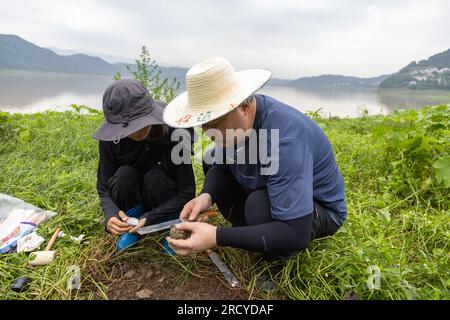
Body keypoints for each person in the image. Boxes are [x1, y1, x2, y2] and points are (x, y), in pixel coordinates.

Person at [160, 57, 347, 260]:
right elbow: (222, 167)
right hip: (268, 184)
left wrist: (216, 236)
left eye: (216, 122)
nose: (209, 133)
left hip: (316, 209)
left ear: (244, 108)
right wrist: (207, 196)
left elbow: (296, 233)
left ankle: (275, 259)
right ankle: (257, 233)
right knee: (210, 157)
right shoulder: (236, 126)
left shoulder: (285, 140)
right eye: (204, 124)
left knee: (259, 206)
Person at [93, 79, 195, 251]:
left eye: (140, 123)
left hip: (164, 197)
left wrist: (152, 217)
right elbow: (103, 188)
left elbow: (187, 192)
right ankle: (132, 229)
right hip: (133, 199)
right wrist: (110, 214)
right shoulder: (111, 141)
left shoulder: (176, 133)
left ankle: (171, 228)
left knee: (155, 177)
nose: (135, 131)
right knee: (124, 175)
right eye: (128, 127)